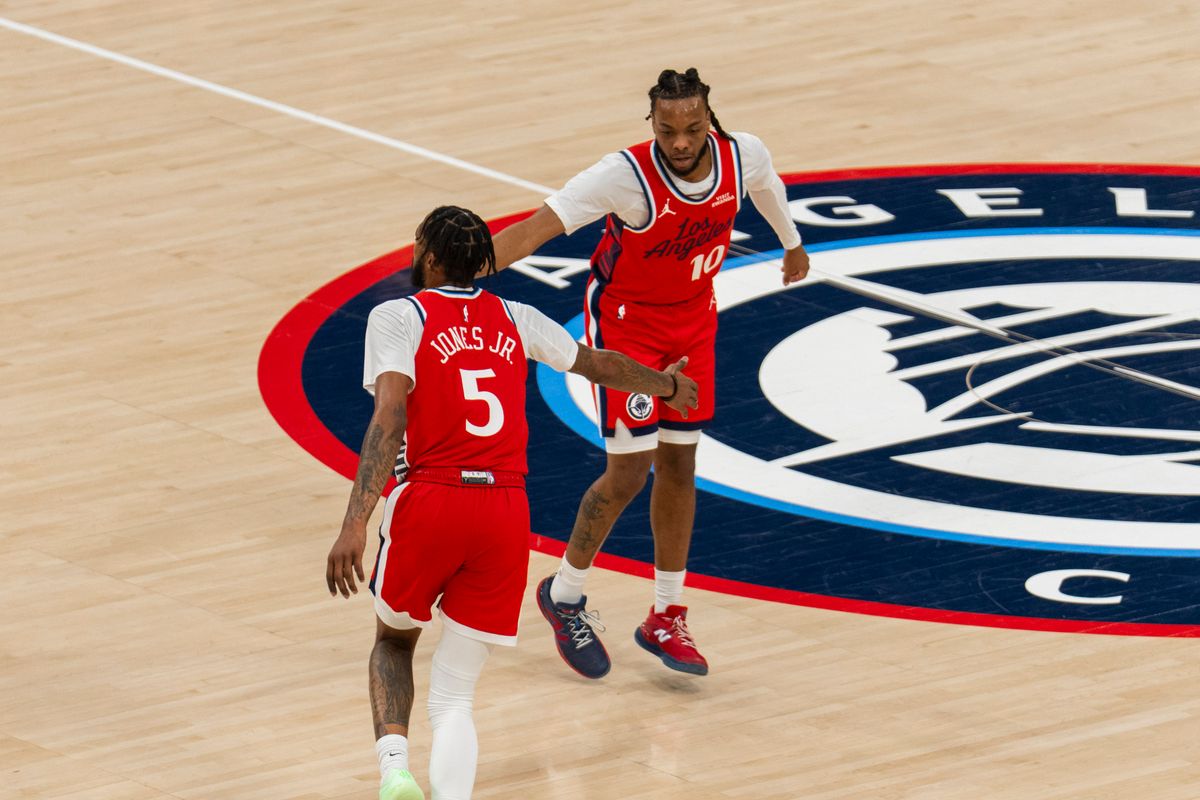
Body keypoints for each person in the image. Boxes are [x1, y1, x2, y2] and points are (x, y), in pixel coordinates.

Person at [325, 205, 698, 800]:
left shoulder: (399, 314)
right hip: (504, 512)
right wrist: (668, 386)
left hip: (433, 496)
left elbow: (390, 414)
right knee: (456, 695)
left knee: (394, 642)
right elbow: (597, 364)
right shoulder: (516, 316)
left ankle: (395, 770)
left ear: (426, 253)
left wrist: (354, 522)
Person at [488, 67, 811, 679]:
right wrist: (459, 280)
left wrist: (791, 242)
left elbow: (768, 184)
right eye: (668, 130)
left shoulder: (744, 154)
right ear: (652, 124)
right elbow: (537, 227)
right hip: (627, 325)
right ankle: (564, 594)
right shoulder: (623, 176)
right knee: (631, 471)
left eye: (692, 129)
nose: (681, 142)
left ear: (709, 120)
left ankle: (666, 613)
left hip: (695, 323)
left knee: (683, 463)